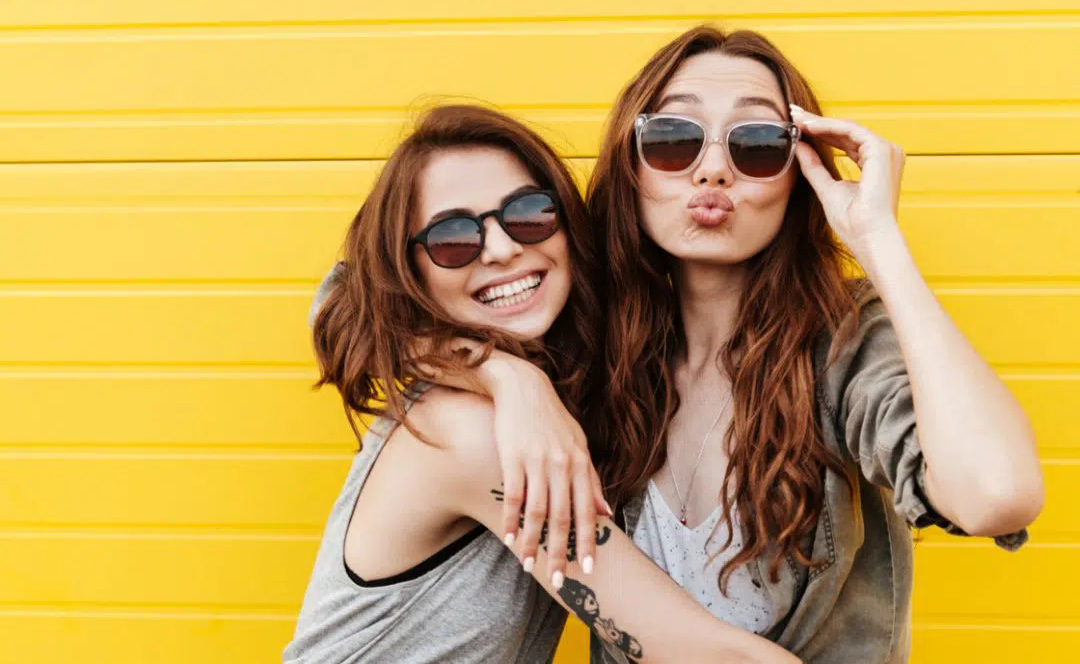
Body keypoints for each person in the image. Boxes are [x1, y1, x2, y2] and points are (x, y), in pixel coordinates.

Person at [580, 26, 1045, 662]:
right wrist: (515, 385)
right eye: (673, 138)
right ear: (630, 166)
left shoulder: (842, 343)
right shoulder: (601, 351)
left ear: (800, 173)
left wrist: (878, 241)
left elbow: (997, 494)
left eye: (759, 144)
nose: (713, 169)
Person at [285, 104, 798, 663]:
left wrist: (510, 377)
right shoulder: (468, 433)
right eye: (452, 237)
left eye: (528, 214)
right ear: (409, 273)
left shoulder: (533, 388)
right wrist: (508, 379)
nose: (503, 248)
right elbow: (707, 655)